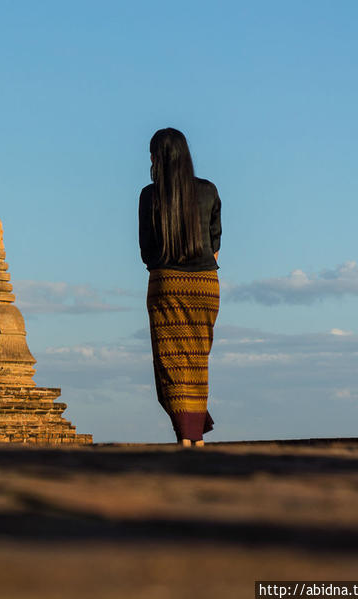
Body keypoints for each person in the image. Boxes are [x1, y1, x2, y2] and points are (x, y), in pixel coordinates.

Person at [138, 127, 222, 447]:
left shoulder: (149, 194)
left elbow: (146, 251)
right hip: (204, 285)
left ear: (157, 158)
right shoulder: (208, 191)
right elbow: (215, 245)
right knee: (197, 359)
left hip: (166, 283)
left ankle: (188, 435)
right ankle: (194, 434)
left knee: (170, 361)